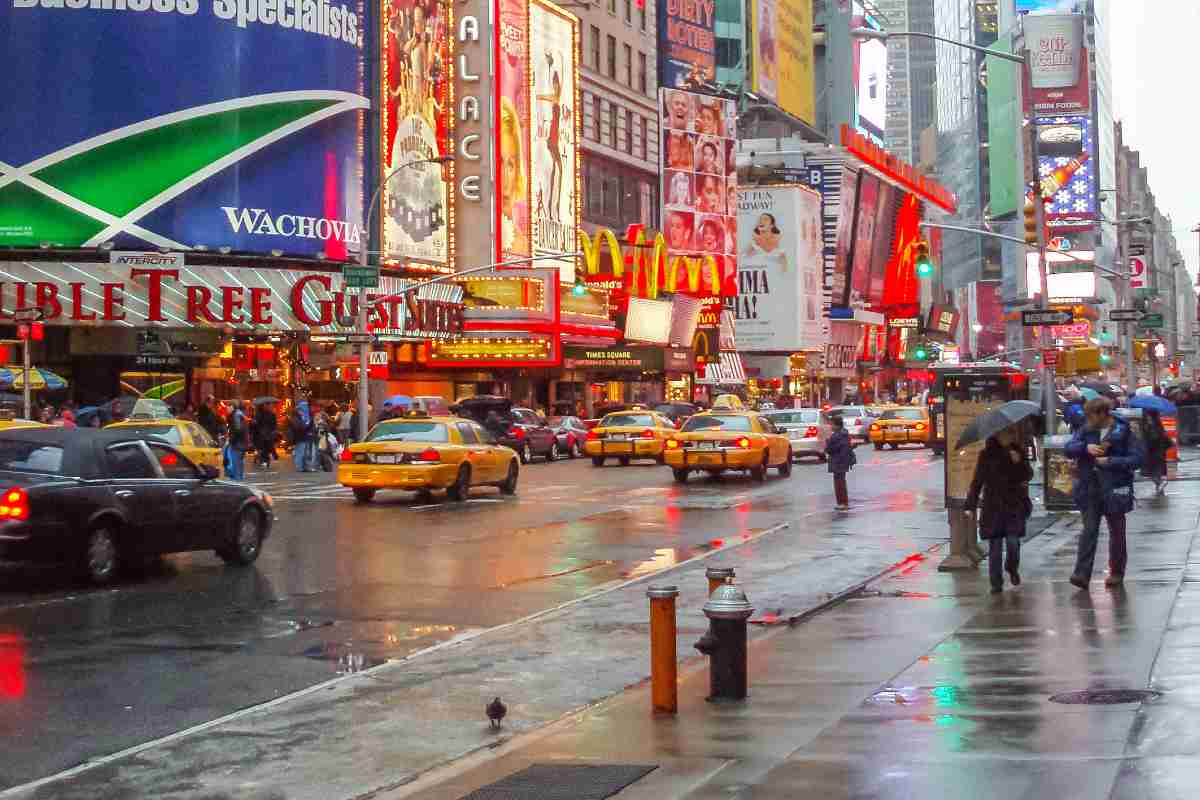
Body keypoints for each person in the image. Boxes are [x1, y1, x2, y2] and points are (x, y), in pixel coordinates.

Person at [1066, 397, 1143, 589]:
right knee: (1089, 529)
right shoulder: (1086, 429)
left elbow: (1137, 458)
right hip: (1089, 486)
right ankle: (1081, 574)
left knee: (1117, 531)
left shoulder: (1124, 431)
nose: (1089, 420)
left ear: (1102, 414)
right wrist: (1085, 448)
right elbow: (1068, 448)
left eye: (1091, 416)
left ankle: (1117, 572)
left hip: (1115, 486)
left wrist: (1110, 462)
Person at [964, 426, 1033, 594]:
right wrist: (970, 505)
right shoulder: (986, 455)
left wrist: (1018, 463)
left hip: (1014, 504)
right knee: (994, 547)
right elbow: (977, 481)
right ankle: (996, 583)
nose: (1008, 437)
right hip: (993, 506)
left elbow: (1027, 475)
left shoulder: (1018, 452)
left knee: (1013, 542)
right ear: (996, 435)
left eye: (1010, 433)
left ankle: (1011, 567)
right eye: (1004, 434)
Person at [824, 415, 855, 511]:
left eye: (832, 424)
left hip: (838, 461)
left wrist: (828, 443)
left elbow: (830, 449)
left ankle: (842, 503)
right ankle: (843, 502)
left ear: (837, 425)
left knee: (839, 483)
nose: (831, 426)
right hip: (843, 460)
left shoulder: (837, 436)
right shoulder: (844, 434)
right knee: (841, 482)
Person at [1141, 409, 1170, 495]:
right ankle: (1159, 488)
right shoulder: (1157, 424)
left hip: (1153, 453)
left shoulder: (1152, 425)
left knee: (1152, 472)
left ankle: (1160, 483)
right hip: (1159, 452)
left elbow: (1153, 438)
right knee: (1157, 472)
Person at [289, 400, 317, 473]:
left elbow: (311, 425)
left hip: (307, 436)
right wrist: (306, 425)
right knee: (300, 452)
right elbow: (298, 427)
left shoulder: (308, 415)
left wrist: (311, 428)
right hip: (300, 437)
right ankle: (300, 467)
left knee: (307, 453)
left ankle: (306, 466)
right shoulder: (296, 416)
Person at [225, 402, 249, 481]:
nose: (226, 409)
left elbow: (237, 430)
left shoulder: (236, 415)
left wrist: (231, 439)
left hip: (237, 444)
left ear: (232, 407)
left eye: (228, 407)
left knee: (236, 463)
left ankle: (237, 481)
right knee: (239, 463)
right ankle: (240, 480)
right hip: (242, 443)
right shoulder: (239, 414)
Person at [254, 402, 278, 470]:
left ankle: (265, 461)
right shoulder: (269, 414)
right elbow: (274, 425)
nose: (270, 406)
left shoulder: (259, 414)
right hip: (265, 434)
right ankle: (265, 460)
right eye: (269, 405)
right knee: (265, 448)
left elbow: (256, 425)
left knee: (265, 448)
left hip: (263, 434)